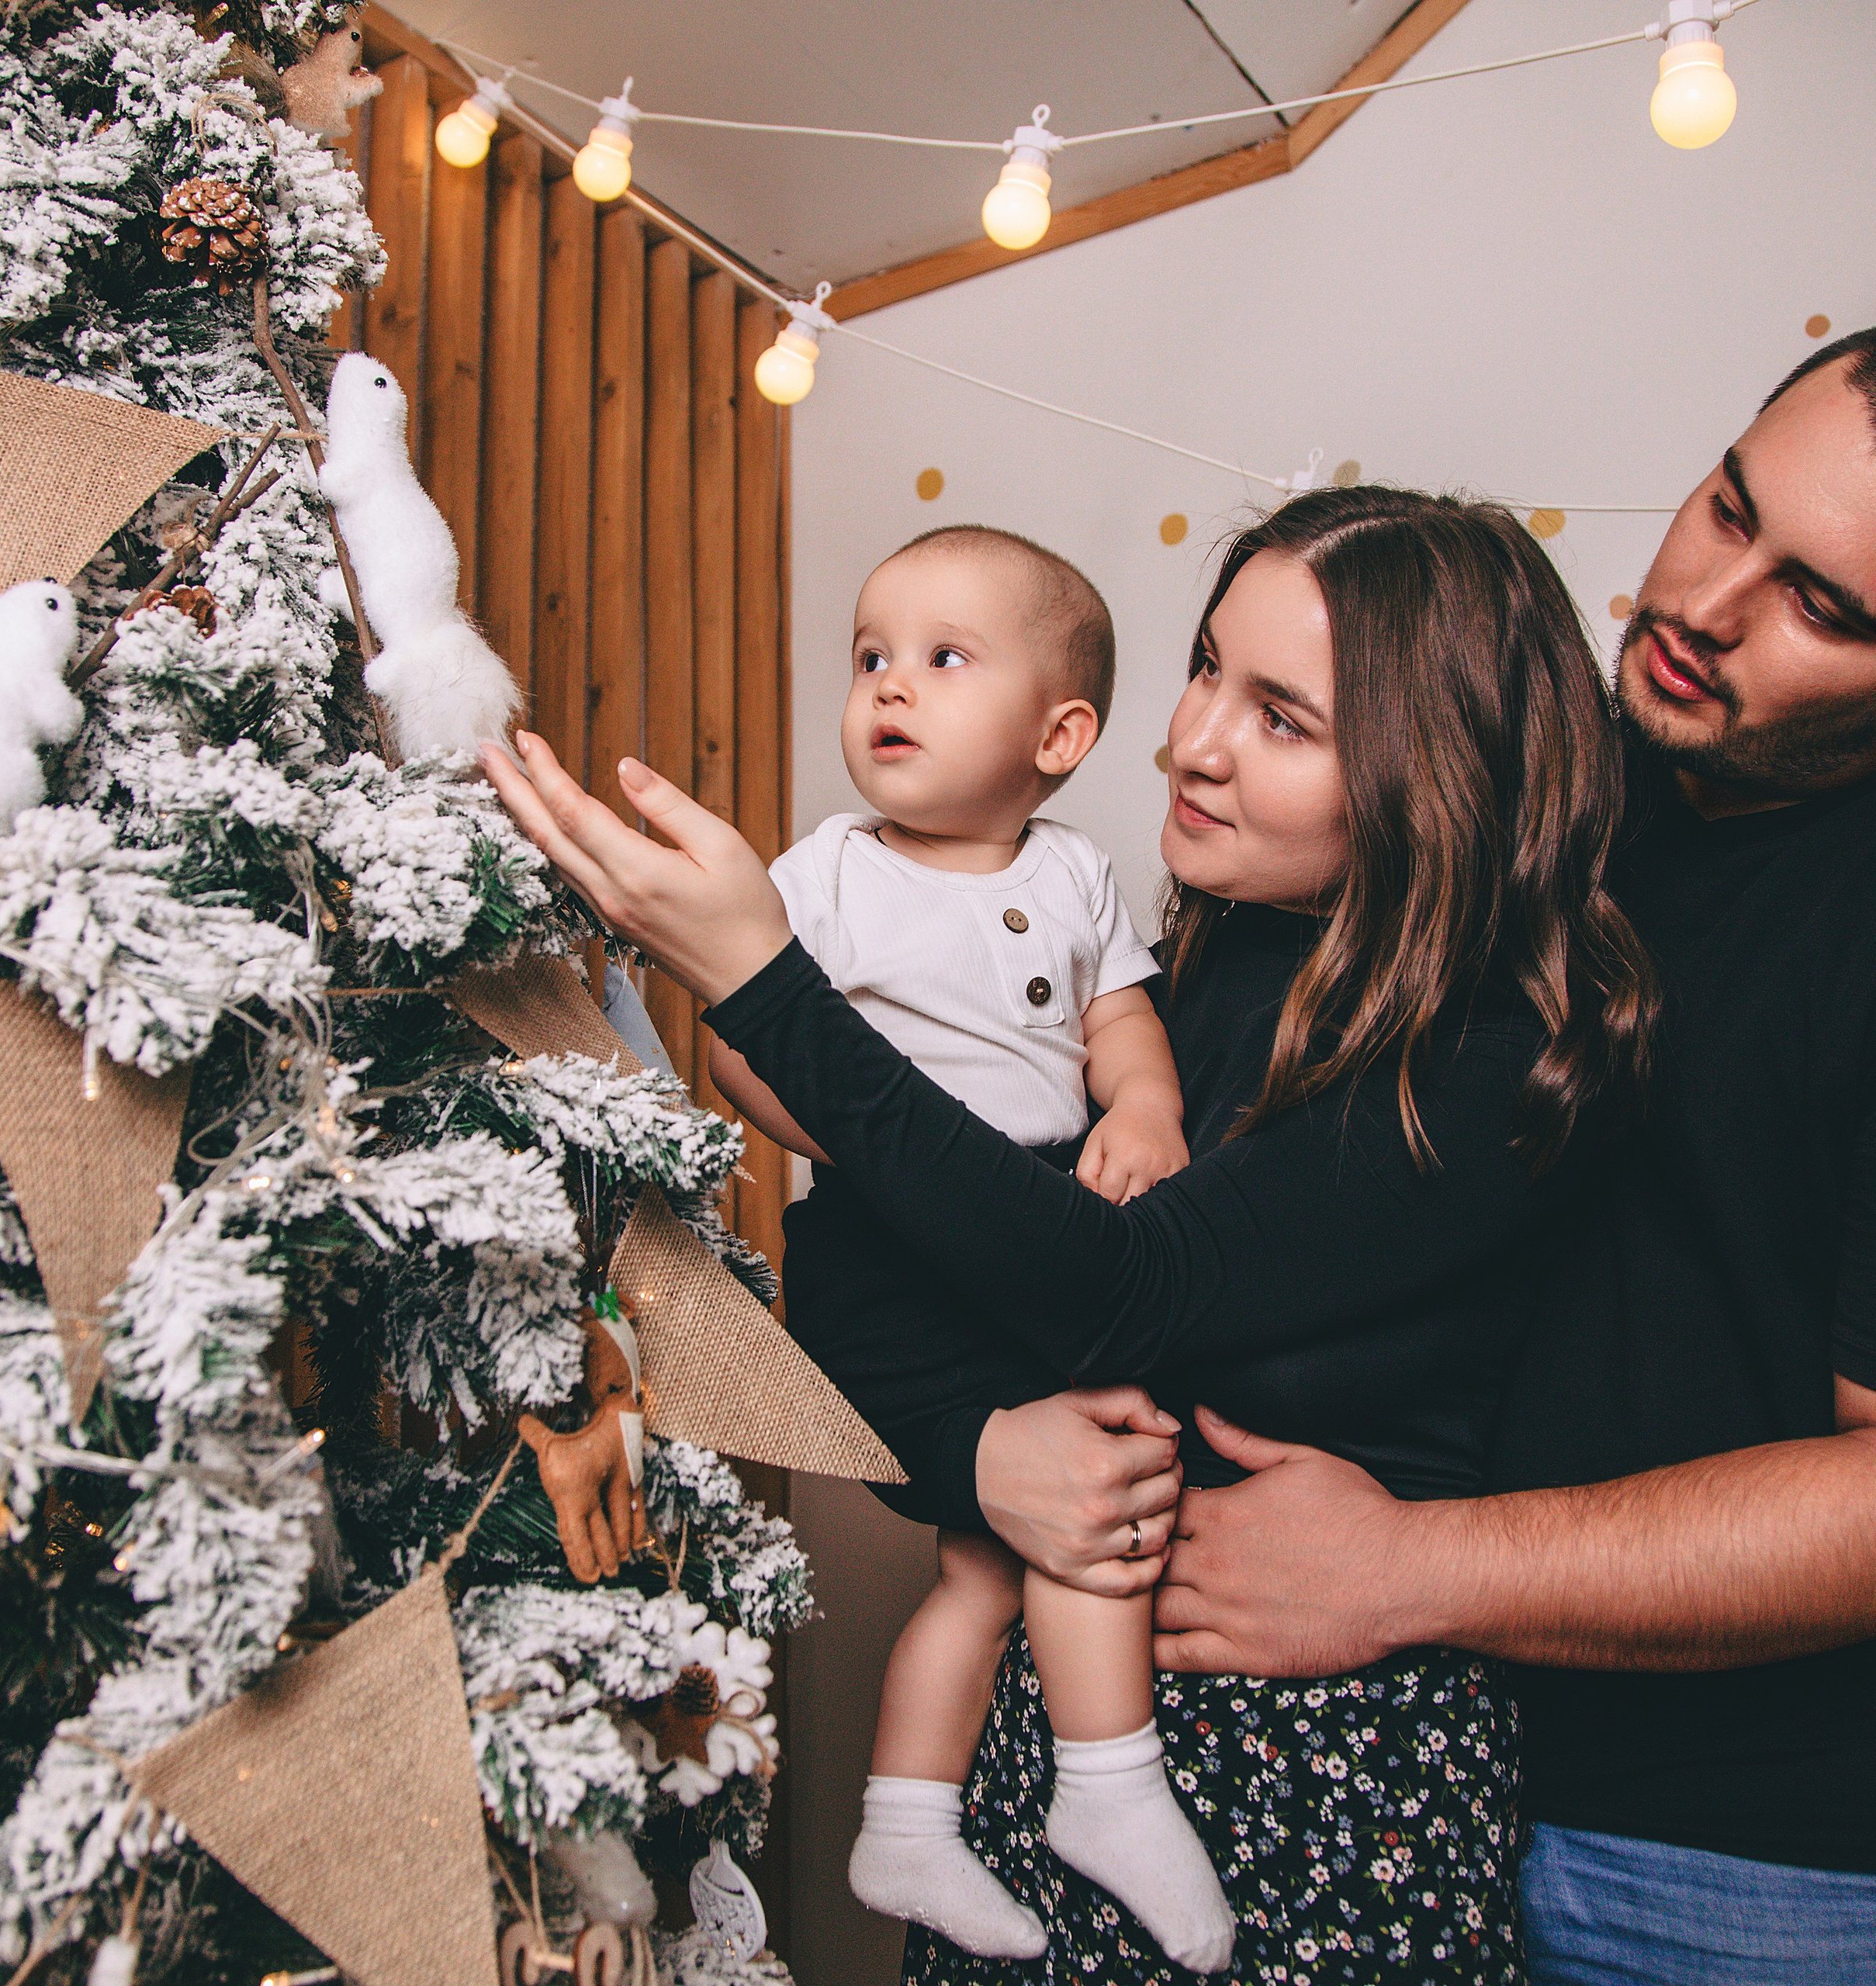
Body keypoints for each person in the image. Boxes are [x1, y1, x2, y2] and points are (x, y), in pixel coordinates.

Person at [481, 483, 1661, 1984]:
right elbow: (891, 1288)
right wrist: (976, 1457)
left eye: (1283, 719)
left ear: (1437, 782)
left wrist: (763, 981)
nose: (1196, 740)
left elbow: (1125, 1295)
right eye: (1210, 669)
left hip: (1313, 1782)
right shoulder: (1188, 978)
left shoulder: (1496, 1056)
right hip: (1045, 1753)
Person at [1116, 330, 1876, 1983]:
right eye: (1724, 505)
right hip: (1396, 1756)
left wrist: (1411, 1566)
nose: (1702, 601)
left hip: (1728, 1866)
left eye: (1819, 604)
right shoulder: (1543, 789)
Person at [712, 522, 1231, 1970]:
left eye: (944, 660)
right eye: (873, 655)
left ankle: (911, 1817)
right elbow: (749, 1036)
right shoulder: (826, 871)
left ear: (1058, 734)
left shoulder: (1073, 873)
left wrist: (1143, 1104)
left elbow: (1119, 1018)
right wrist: (838, 1138)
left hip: (1051, 1212)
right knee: (1086, 1476)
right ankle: (1111, 1785)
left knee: (992, 1561)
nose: (890, 686)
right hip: (895, 1235)